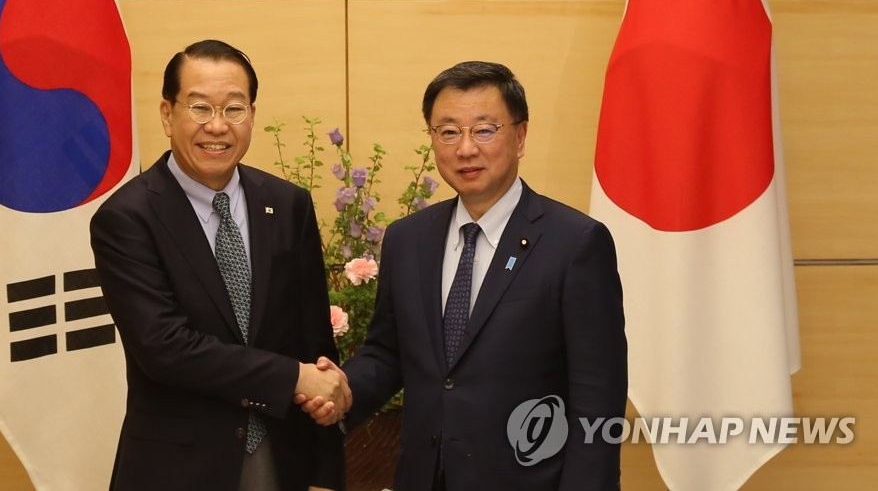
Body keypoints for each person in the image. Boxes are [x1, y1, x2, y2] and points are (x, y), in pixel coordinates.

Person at [304, 60, 628, 490]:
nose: (466, 149)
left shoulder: (575, 243)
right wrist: (342, 391)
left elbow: (597, 397)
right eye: (449, 131)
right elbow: (387, 354)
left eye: (484, 130)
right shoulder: (408, 239)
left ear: (521, 136)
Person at [90, 39, 348, 491]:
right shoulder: (127, 218)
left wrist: (326, 472)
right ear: (168, 114)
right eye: (200, 108)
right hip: (177, 470)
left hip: (282, 461)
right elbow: (165, 348)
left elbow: (315, 343)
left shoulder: (288, 205)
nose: (217, 126)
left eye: (234, 109)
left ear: (251, 114)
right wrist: (292, 378)